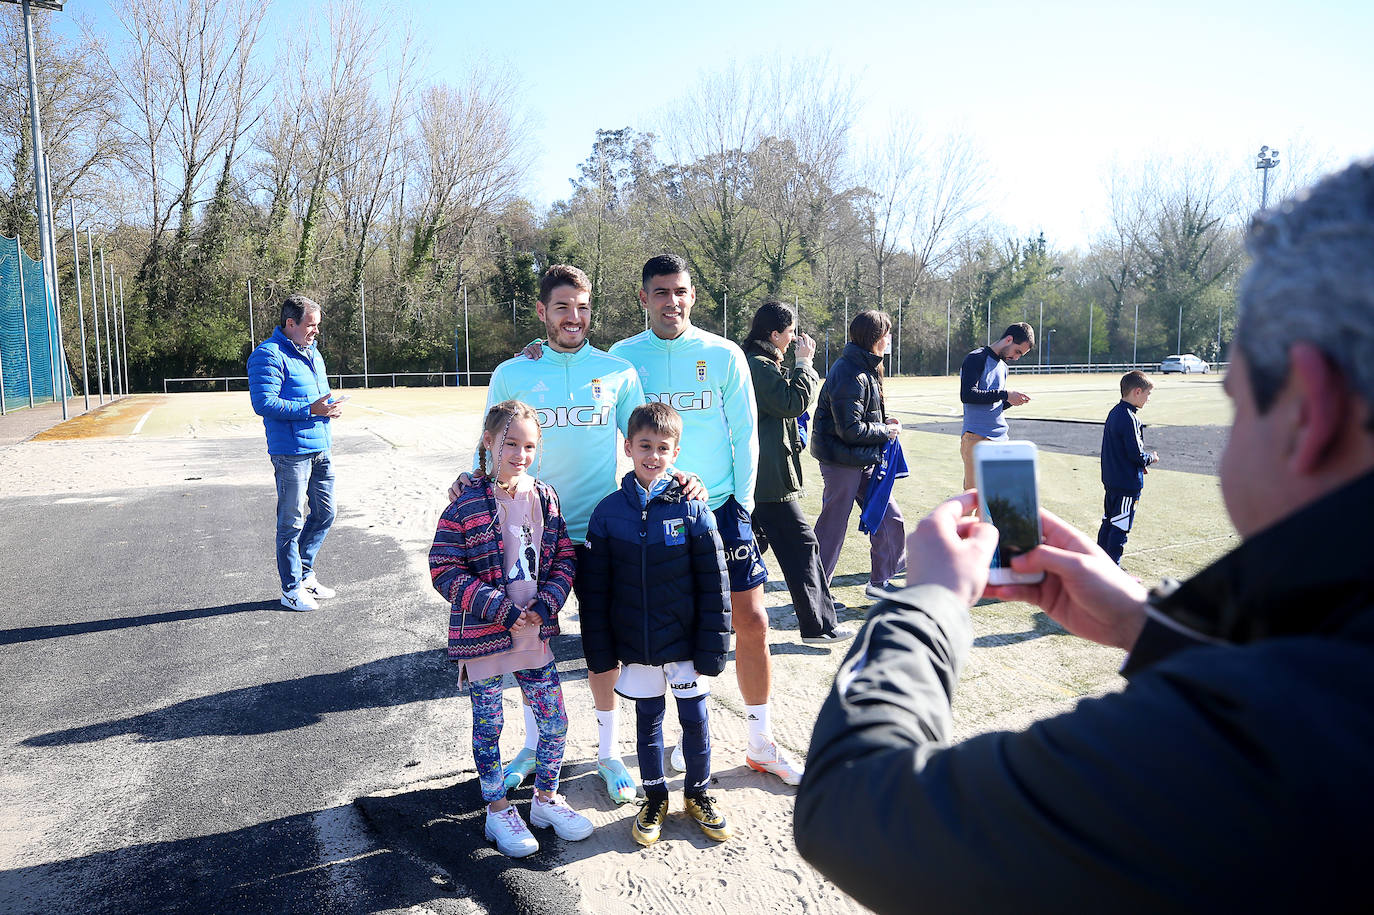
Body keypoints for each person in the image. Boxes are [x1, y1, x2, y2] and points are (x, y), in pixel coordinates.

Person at [795, 160, 1374, 913]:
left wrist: (929, 598)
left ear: (1310, 407)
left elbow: (850, 807)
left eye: (1237, 401)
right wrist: (1149, 622)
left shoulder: (1261, 738)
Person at [450, 265, 649, 805]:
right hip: (527, 536)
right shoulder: (515, 371)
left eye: (583, 307)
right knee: (532, 640)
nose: (574, 317)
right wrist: (472, 479)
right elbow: (489, 439)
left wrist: (678, 476)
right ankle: (536, 747)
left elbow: (644, 442)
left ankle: (609, 753)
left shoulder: (618, 372)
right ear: (542, 312)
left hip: (599, 531)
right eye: (562, 307)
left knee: (602, 644)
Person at [612, 254, 803, 786]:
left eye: (680, 292)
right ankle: (680, 738)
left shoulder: (723, 355)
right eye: (660, 292)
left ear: (692, 297)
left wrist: (740, 505)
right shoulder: (623, 359)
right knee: (677, 630)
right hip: (662, 512)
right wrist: (536, 352)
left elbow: (744, 432)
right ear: (643, 298)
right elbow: (591, 402)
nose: (671, 301)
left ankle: (761, 740)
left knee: (753, 622)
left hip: (721, 508)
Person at [428, 400, 594, 858]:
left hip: (533, 634)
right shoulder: (465, 503)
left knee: (555, 720)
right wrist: (497, 607)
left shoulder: (545, 496)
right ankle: (498, 808)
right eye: (511, 444)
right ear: (489, 442)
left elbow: (564, 556)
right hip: (484, 636)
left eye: (529, 446)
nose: (520, 454)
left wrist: (547, 603)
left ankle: (544, 799)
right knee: (490, 724)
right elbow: (443, 567)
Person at [579, 403, 734, 845]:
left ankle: (699, 794)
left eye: (663, 448)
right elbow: (596, 591)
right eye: (644, 445)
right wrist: (601, 650)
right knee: (647, 721)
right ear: (627, 447)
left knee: (695, 719)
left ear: (676, 451)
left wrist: (712, 647)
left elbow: (714, 584)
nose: (653, 455)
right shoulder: (608, 513)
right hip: (637, 648)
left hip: (685, 646)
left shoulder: (694, 509)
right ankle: (655, 796)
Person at [742, 300, 854, 643]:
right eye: (790, 333)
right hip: (767, 481)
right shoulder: (758, 365)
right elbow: (790, 402)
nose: (794, 339)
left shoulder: (761, 362)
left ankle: (715, 612)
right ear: (774, 334)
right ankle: (818, 625)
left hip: (764, 476)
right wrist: (804, 364)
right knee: (803, 545)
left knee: (747, 550)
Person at [247, 293, 342, 612]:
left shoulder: (314, 353)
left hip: (321, 447)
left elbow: (317, 402)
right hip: (291, 453)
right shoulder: (267, 355)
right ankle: (290, 589)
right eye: (311, 325)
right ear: (291, 324)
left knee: (326, 513)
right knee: (291, 522)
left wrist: (327, 411)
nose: (316, 331)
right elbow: (264, 403)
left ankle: (304, 574)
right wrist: (310, 409)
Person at [810, 310, 906, 601]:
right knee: (833, 527)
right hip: (841, 462)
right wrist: (884, 432)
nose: (889, 339)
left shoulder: (866, 366)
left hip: (864, 459)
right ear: (875, 338)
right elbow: (850, 429)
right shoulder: (849, 371)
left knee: (890, 519)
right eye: (887, 334)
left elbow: (862, 419)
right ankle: (815, 592)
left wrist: (884, 423)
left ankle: (880, 583)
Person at [959, 324, 1034, 491]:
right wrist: (1005, 394)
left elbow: (991, 405)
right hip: (976, 437)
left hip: (1000, 438)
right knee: (973, 497)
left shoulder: (1003, 366)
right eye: (1017, 351)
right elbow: (968, 395)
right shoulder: (976, 358)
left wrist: (1011, 401)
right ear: (1009, 339)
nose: (1016, 358)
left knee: (997, 497)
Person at [1097, 370, 1159, 564]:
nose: (1148, 400)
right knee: (1120, 527)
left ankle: (1100, 563)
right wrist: (1151, 458)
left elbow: (1120, 450)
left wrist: (1138, 465)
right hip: (1126, 485)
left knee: (1108, 522)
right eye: (1148, 394)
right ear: (1137, 392)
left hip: (1113, 481)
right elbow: (1136, 454)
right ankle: (1112, 567)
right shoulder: (1130, 417)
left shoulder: (1115, 412)